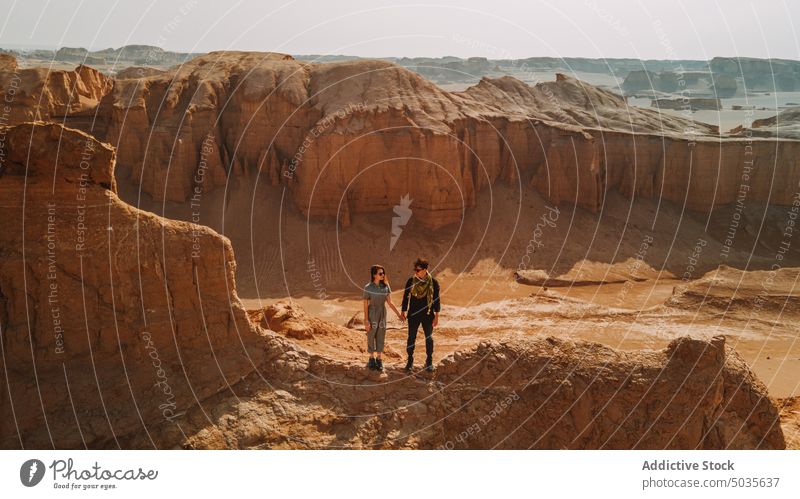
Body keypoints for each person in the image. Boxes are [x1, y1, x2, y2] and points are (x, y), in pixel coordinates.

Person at [400, 258, 440, 372]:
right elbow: (405, 297)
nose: (416, 272)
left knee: (429, 338)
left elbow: (436, 300)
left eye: (418, 270)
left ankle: (429, 361)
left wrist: (437, 316)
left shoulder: (434, 282)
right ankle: (410, 360)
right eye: (415, 270)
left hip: (428, 315)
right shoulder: (411, 281)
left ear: (425, 269)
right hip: (413, 314)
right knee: (411, 337)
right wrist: (403, 311)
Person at [363, 264, 403, 371]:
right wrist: (366, 320)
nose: (383, 275)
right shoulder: (368, 288)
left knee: (381, 334)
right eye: (380, 273)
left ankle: (379, 359)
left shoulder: (386, 286)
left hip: (382, 312)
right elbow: (365, 305)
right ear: (374, 275)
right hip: (372, 312)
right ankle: (371, 358)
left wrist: (399, 314)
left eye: (383, 273)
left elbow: (390, 302)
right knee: (371, 334)